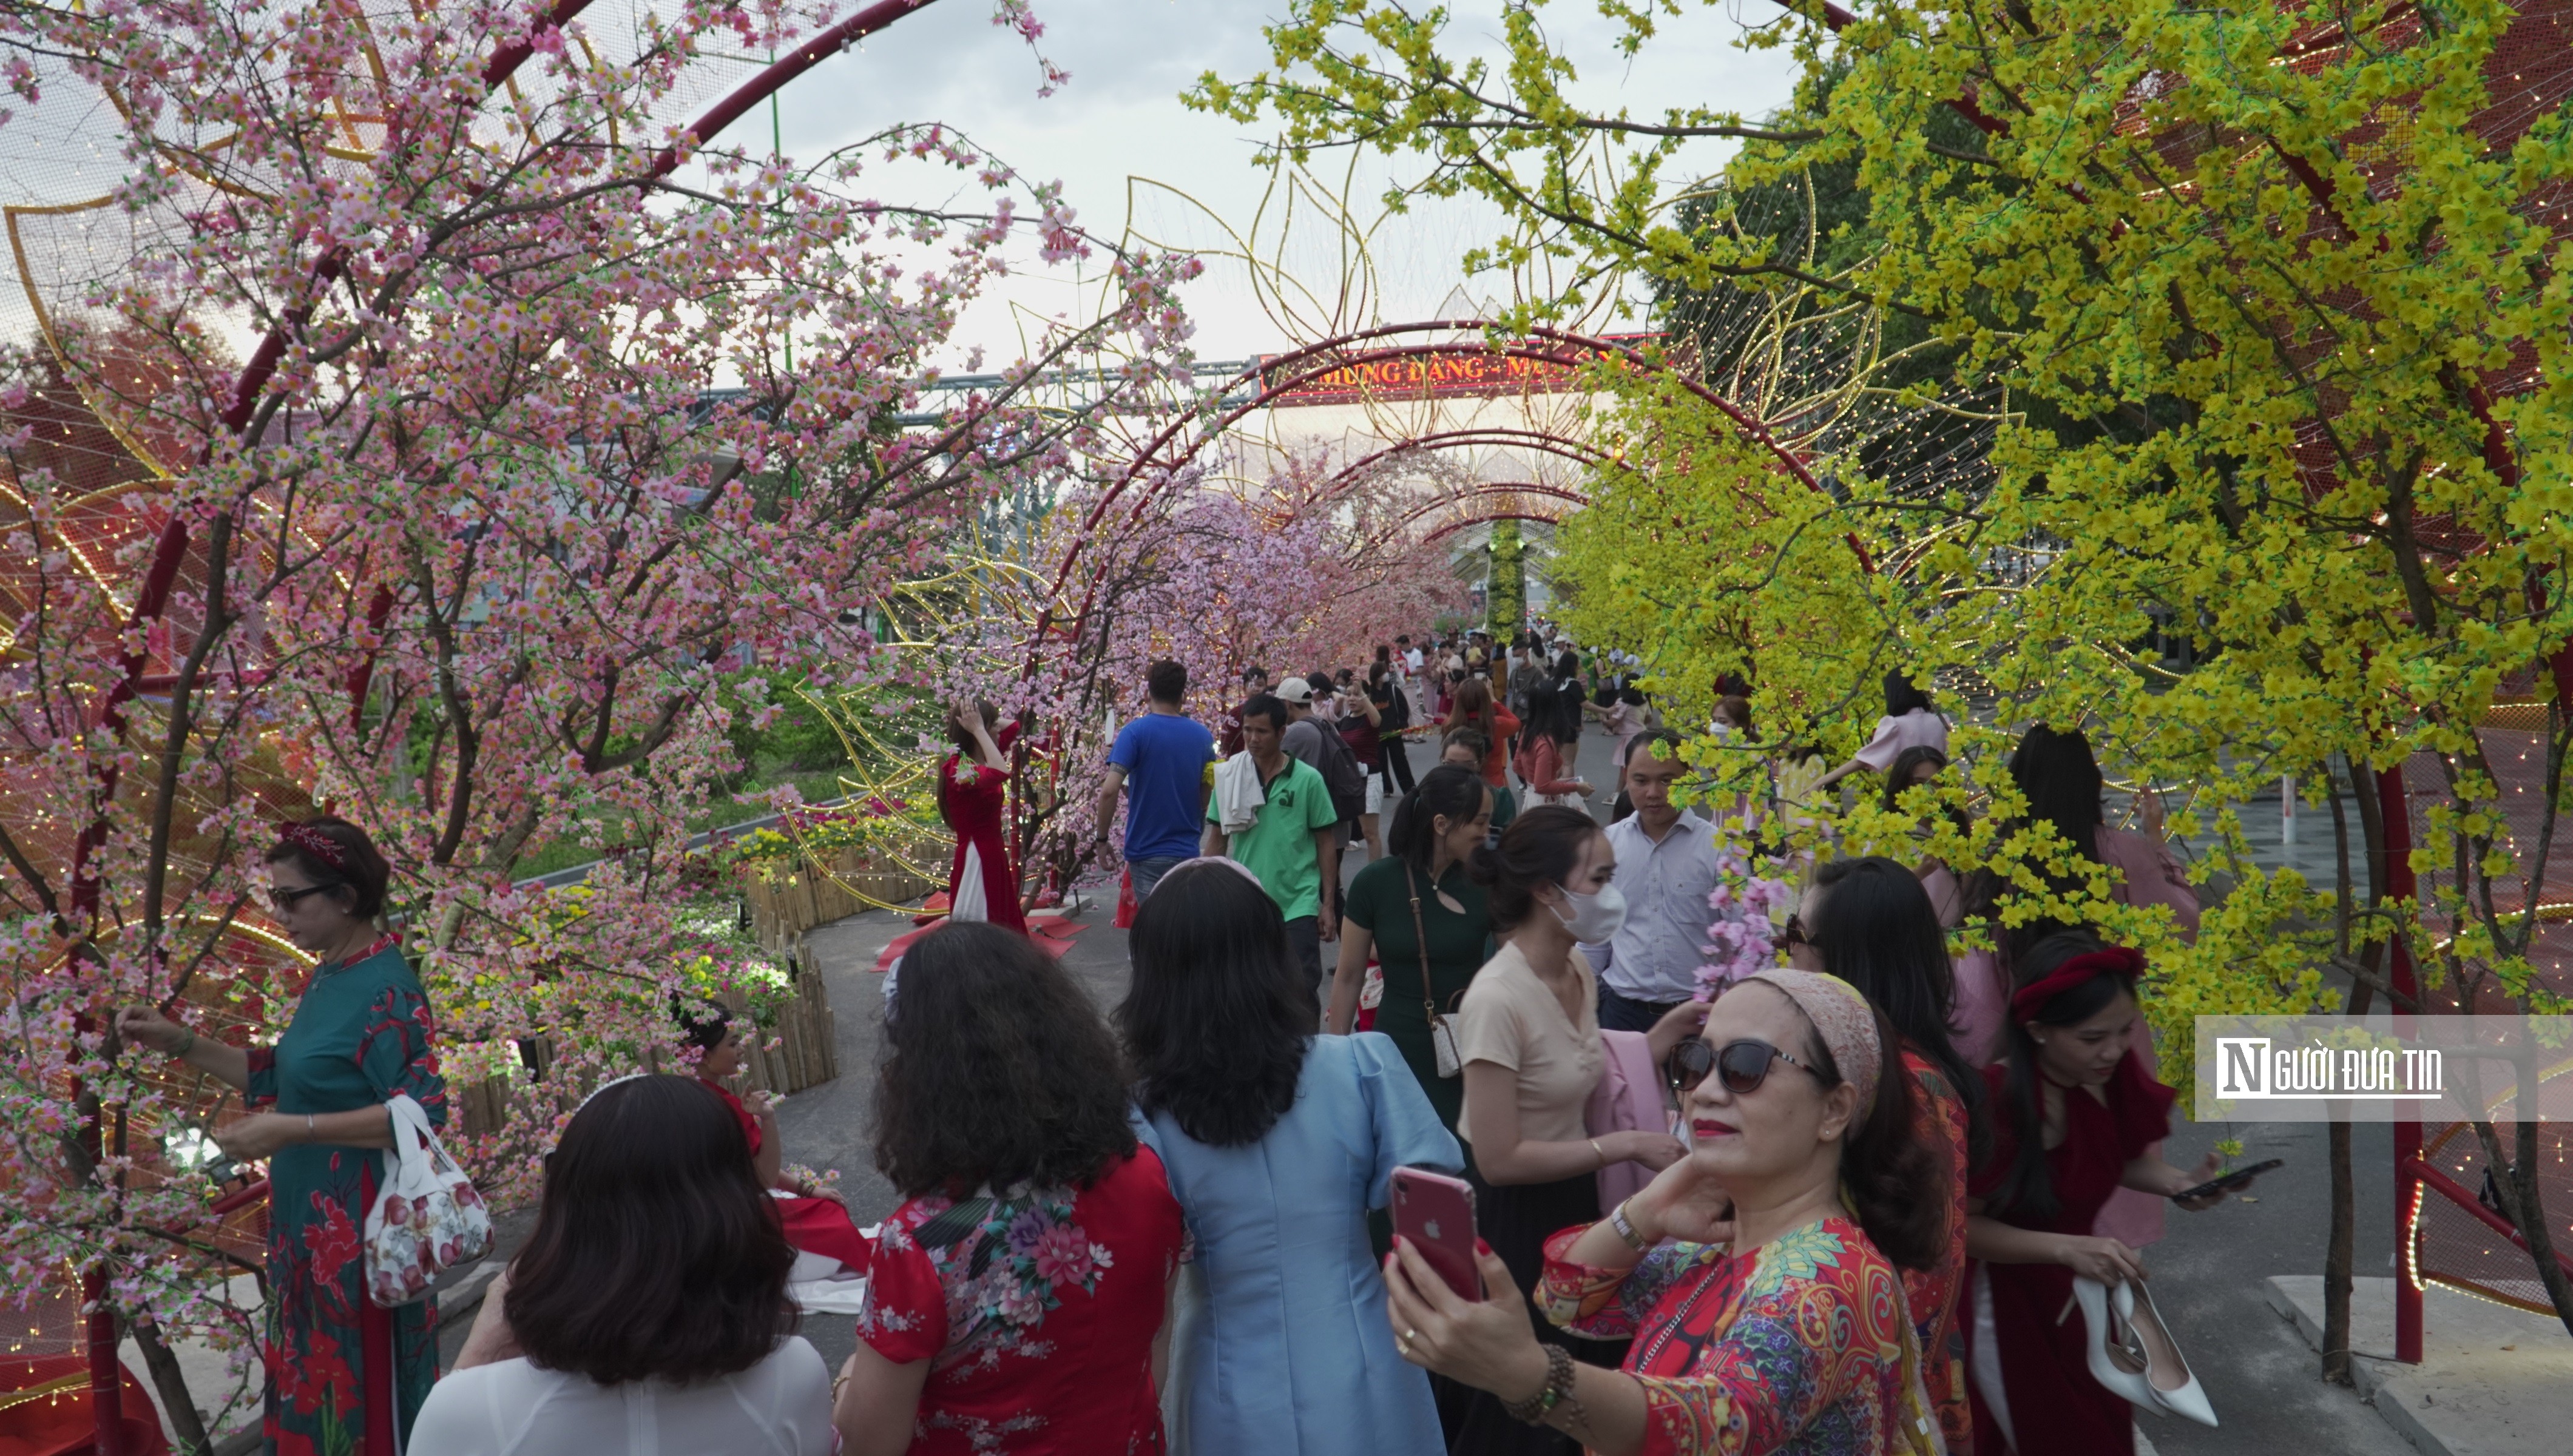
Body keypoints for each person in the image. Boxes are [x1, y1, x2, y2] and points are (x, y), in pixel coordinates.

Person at [1382, 969, 1947, 1456]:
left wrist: (1528, 1376)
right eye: (1694, 1062)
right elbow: (1563, 1299)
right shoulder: (1722, 1243)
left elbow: (1713, 1424)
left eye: (1745, 1066)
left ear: (1835, 1109)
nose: (1704, 1091)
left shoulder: (1828, 1278)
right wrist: (1648, 1211)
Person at [120, 818, 443, 1455]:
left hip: (359, 1233)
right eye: (275, 898)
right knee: (314, 1389)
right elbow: (287, 1074)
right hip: (308, 1232)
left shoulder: (388, 988)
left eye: (291, 898)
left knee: (353, 1397)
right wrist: (179, 1040)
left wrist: (293, 1130)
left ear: (345, 898)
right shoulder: (330, 975)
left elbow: (423, 1113)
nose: (280, 913)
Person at [1120, 860, 1463, 1456]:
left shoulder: (1144, 1113)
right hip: (1365, 1356)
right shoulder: (1360, 1067)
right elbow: (1440, 1225)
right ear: (1270, 953)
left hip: (1224, 1375)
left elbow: (1142, 1281)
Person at [835, 923, 1185, 1455]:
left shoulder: (923, 1244)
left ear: (922, 1074)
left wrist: (846, 1383)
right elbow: (1154, 1352)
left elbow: (869, 1443)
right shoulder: (1148, 1179)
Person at [1448, 806, 1703, 1456]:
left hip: (1580, 1203)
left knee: (1583, 1384)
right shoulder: (1495, 999)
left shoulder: (1577, 970)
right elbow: (1499, 1157)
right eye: (1599, 879)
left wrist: (1656, 1042)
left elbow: (1584, 1076)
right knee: (1528, 1392)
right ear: (1545, 891)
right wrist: (1622, 1147)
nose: (1611, 895)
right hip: (1521, 1216)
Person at [415, 1076, 832, 1454]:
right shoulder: (794, 1376)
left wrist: (479, 1353)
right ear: (736, 1216)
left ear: (566, 1220)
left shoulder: (467, 1409)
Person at [1964, 932, 2246, 1455]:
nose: (2114, 1050)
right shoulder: (1998, 1100)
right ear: (2038, 1032)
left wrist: (2180, 1185)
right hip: (2010, 1310)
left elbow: (2113, 1157)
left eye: (2125, 1032)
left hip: (2087, 1296)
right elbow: (1965, 1227)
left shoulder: (2104, 1075)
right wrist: (2066, 1248)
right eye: (2093, 1038)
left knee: (2102, 1430)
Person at [1791, 856, 1987, 1454]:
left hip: (1867, 1392)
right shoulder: (1847, 1065)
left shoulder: (1914, 1094)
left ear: (1855, 956)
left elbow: (1920, 1277)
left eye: (1800, 939)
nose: (1789, 956)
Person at [1990, 724, 2200, 1253]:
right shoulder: (2122, 851)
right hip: (2110, 1037)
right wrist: (2158, 844)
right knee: (2113, 1164)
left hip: (2031, 1036)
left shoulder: (2001, 857)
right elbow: (2181, 928)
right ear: (2093, 785)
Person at [1328, 764, 1496, 1131]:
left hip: (1473, 1046)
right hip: (1396, 1050)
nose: (1487, 834)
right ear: (1441, 824)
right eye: (1480, 823)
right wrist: (1336, 1060)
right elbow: (1349, 976)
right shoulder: (1375, 883)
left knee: (1468, 1164)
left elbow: (1518, 966)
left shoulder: (1488, 882)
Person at [677, 1003, 870, 1274]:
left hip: (689, 1219)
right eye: (733, 1044)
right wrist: (767, 1119)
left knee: (825, 1208)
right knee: (834, 1219)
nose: (741, 1050)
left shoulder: (678, 1095)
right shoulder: (724, 1108)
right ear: (704, 1055)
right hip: (730, 1221)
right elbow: (764, 1179)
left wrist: (808, 1189)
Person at [1587, 733, 1722, 1035]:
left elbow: (1741, 933)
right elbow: (1595, 936)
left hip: (1700, 1014)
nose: (1653, 792)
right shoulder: (1608, 844)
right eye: (1640, 780)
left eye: (1666, 780)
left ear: (1690, 778)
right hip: (1623, 1012)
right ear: (1626, 778)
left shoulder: (1718, 846)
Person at [1204, 693, 1342, 988]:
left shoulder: (1308, 780)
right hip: (1246, 903)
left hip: (1298, 904)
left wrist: (1327, 904)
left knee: (1301, 988)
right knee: (1250, 990)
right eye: (1247, 730)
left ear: (1282, 733)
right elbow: (1217, 841)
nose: (1252, 739)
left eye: (1262, 731)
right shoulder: (1229, 777)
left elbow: (1326, 843)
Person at [1098, 660, 1218, 901]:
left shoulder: (1134, 733)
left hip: (1146, 850)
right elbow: (1205, 796)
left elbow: (1109, 791)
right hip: (1186, 849)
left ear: (1147, 691)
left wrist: (1101, 840)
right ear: (1182, 695)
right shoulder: (1203, 737)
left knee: (1155, 930)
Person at [936, 698, 1026, 933]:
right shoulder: (959, 769)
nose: (998, 730)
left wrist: (980, 722)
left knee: (999, 923)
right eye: (993, 725)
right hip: (978, 857)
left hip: (991, 854)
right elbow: (1000, 772)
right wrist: (978, 728)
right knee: (983, 928)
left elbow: (1014, 726)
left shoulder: (981, 760)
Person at [1817, 671, 1950, 791]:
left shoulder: (1895, 725)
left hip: (1909, 793)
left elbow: (1863, 760)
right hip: (1941, 789)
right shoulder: (1942, 720)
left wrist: (1822, 781)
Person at [1444, 676, 1523, 823]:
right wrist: (1494, 700)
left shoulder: (1450, 725)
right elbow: (1516, 722)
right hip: (1494, 790)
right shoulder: (1495, 725)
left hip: (1458, 789)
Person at [1515, 681, 1595, 810]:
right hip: (1547, 805)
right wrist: (1577, 787)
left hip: (1531, 799)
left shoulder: (1527, 731)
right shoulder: (1546, 742)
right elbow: (1542, 786)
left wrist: (1534, 779)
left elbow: (1517, 766)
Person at [1441, 726, 1515, 832]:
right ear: (1442, 760)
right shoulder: (1430, 795)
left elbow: (1507, 843)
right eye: (1450, 764)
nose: (1458, 771)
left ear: (1480, 764)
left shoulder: (1499, 799)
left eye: (1467, 765)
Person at [1369, 659, 1418, 795]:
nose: (1387, 674)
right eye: (1384, 672)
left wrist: (1402, 725)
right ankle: (1386, 788)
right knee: (1380, 761)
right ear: (1377, 675)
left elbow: (1403, 708)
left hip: (1394, 732)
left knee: (1400, 760)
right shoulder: (1370, 693)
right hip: (1377, 734)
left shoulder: (1393, 689)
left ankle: (1408, 787)